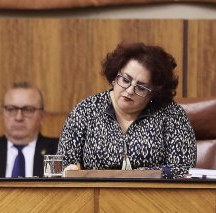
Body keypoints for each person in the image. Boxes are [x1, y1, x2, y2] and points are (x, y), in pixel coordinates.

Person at [58, 42, 196, 179]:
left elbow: (183, 167)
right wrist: (71, 170)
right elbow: (64, 164)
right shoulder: (86, 110)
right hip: (96, 196)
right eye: (125, 80)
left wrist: (133, 176)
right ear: (114, 77)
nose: (130, 91)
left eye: (141, 87)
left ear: (154, 92)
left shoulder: (171, 114)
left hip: (154, 198)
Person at [0, 82, 58, 177]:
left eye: (28, 110)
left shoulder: (58, 151)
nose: (18, 117)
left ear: (42, 116)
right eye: (11, 109)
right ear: (2, 113)